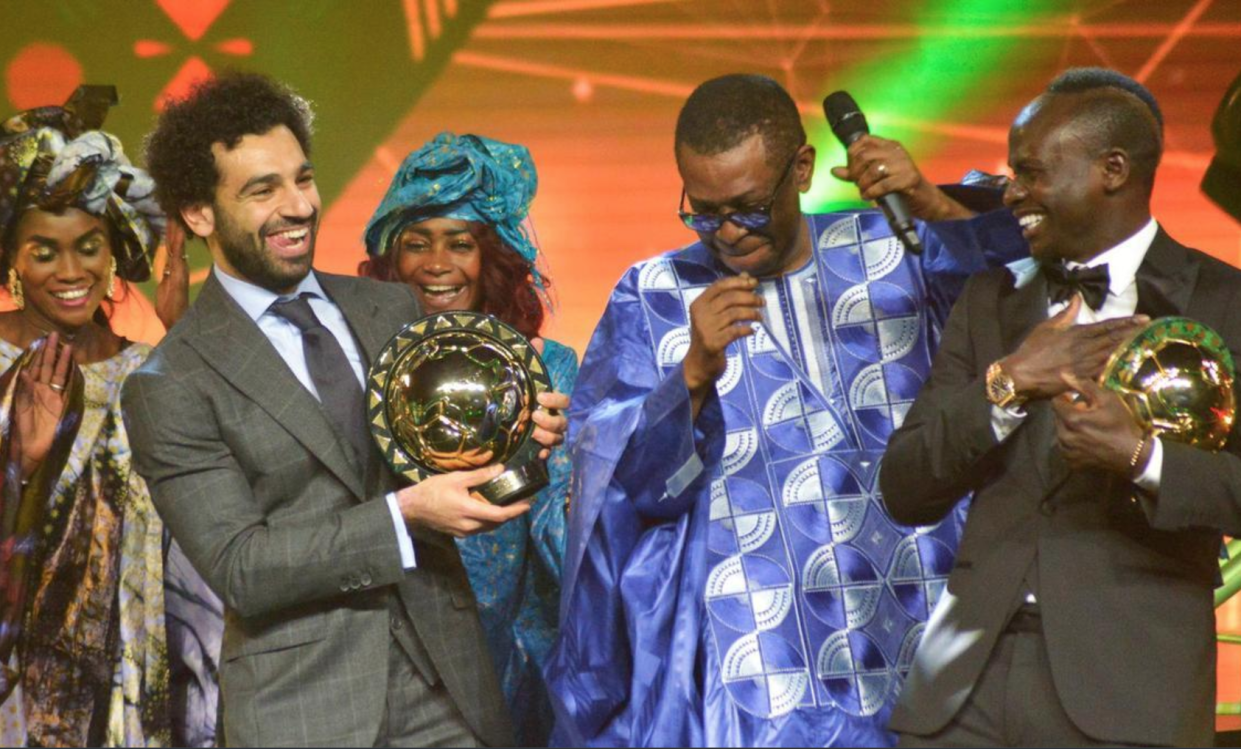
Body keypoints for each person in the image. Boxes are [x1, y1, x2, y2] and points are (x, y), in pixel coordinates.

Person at [545, 73, 1027, 747]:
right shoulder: (654, 292)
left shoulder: (901, 246)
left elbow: (1038, 295)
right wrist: (690, 376)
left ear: (800, 169)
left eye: (745, 207)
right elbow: (609, 488)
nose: (726, 234)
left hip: (929, 604)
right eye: (702, 212)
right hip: (758, 654)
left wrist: (929, 202)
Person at [125, 72, 569, 747]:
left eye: (302, 179)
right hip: (305, 708)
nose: (296, 206)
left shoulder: (388, 308)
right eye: (261, 190)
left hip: (449, 688)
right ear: (198, 214)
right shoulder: (171, 380)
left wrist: (523, 441)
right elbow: (243, 564)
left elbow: (453, 465)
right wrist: (402, 516)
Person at [881, 67, 1241, 748]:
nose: (1008, 191)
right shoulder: (990, 300)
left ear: (1112, 170)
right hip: (961, 690)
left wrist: (1141, 458)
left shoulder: (1223, 303)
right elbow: (904, 487)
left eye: (1030, 172)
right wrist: (1007, 383)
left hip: (1129, 689)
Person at [360, 131, 576, 746]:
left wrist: (547, 459)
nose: (437, 264)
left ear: (494, 257)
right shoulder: (361, 363)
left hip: (510, 655)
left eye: (461, 243)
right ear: (389, 260)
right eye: (416, 243)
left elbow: (561, 544)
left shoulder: (549, 368)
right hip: (394, 647)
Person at [0, 85, 187, 746]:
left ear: (114, 255)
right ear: (13, 261)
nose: (70, 269)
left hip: (124, 681)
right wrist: (19, 462)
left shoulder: (150, 372)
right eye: (44, 250)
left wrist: (189, 353)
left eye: (88, 245)